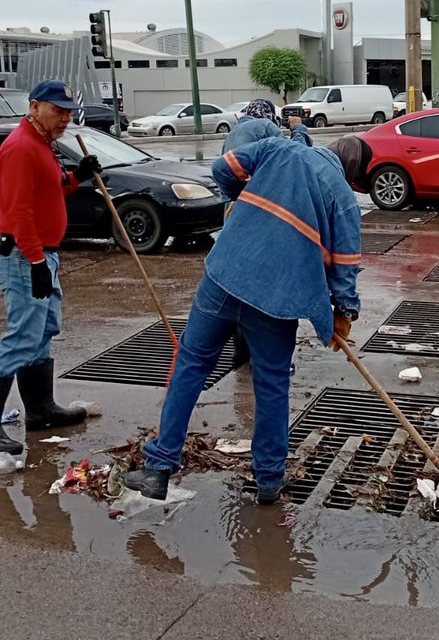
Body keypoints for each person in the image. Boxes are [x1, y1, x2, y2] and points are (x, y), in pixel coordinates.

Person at [125, 134, 362, 504]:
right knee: (272, 383)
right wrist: (343, 312)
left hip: (225, 276)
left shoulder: (278, 149)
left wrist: (241, 197)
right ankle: (269, 479)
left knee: (191, 365)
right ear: (351, 172)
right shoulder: (343, 198)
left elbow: (223, 168)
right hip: (276, 297)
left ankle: (159, 468)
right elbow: (346, 264)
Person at [0, 80, 101, 454]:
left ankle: (41, 410)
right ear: (34, 106)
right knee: (22, 338)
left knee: (43, 331)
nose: (65, 118)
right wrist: (37, 261)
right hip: (26, 255)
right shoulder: (20, 147)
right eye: (58, 110)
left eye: (69, 112)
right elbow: (17, 211)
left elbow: (49, 191)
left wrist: (78, 177)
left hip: (44, 253)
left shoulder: (42, 143)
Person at [218, 99, 311, 367]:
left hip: (234, 219)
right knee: (271, 287)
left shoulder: (233, 134)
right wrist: (299, 129)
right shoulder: (264, 127)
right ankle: (272, 357)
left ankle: (242, 352)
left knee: (240, 287)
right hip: (261, 219)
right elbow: (296, 157)